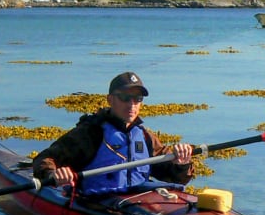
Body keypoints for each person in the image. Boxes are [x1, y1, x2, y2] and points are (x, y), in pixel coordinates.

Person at [33, 71, 194, 194]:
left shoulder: (145, 137)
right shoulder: (91, 133)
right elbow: (44, 159)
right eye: (125, 97)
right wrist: (54, 174)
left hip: (139, 204)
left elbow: (174, 177)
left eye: (137, 99)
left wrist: (181, 164)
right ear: (110, 100)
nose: (132, 104)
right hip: (99, 203)